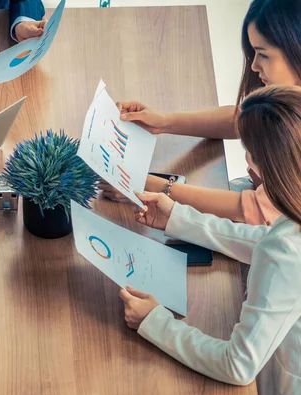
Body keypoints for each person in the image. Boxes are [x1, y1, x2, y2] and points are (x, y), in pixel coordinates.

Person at [119, 85, 301, 395]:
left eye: (252, 159)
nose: (248, 168)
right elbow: (265, 240)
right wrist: (176, 218)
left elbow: (237, 366)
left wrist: (155, 322)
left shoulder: (286, 249)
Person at [100, 0, 301, 226]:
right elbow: (243, 119)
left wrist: (147, 185)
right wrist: (164, 122)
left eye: (263, 54)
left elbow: (254, 210)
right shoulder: (288, 98)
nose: (254, 65)